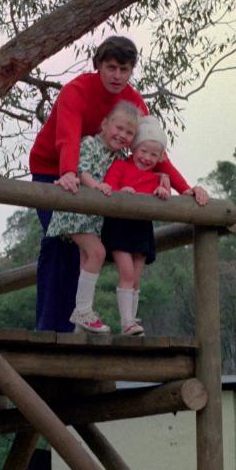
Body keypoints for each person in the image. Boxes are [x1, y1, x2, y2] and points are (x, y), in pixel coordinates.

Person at [29, 35, 209, 332]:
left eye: (124, 70)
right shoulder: (77, 90)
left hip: (100, 177)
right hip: (55, 169)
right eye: (111, 67)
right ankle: (50, 330)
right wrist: (68, 173)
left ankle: (80, 324)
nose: (117, 76)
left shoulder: (133, 103)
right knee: (60, 239)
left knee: (92, 247)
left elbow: (150, 151)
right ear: (98, 65)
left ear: (131, 71)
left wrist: (184, 188)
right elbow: (67, 137)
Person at [44, 103, 141, 332]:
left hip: (92, 218)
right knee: (98, 252)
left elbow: (116, 180)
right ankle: (83, 312)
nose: (123, 135)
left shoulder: (117, 156)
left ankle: (81, 323)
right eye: (119, 128)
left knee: (86, 261)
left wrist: (121, 189)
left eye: (129, 133)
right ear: (105, 124)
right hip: (75, 212)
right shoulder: (89, 143)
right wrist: (96, 186)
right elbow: (81, 169)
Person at [100, 115, 171, 336]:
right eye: (143, 151)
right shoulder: (120, 166)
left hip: (141, 230)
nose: (147, 158)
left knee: (136, 277)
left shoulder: (156, 178)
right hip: (120, 228)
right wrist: (122, 192)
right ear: (134, 149)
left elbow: (165, 192)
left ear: (160, 157)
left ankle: (132, 322)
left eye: (154, 154)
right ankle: (127, 322)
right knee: (127, 273)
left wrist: (162, 190)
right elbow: (108, 186)